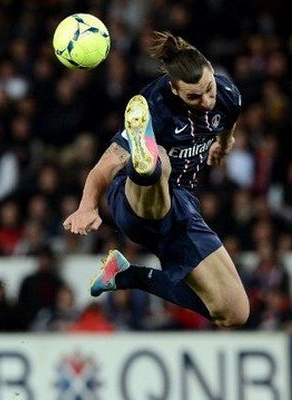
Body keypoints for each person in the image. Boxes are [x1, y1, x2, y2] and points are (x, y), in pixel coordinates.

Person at [63, 32, 249, 327]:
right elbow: (102, 168)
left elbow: (227, 125)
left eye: (208, 90)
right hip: (133, 201)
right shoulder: (155, 105)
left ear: (212, 71)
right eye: (194, 96)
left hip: (182, 210)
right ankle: (145, 159)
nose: (206, 101)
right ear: (175, 90)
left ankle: (127, 275)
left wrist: (222, 146)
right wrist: (87, 206)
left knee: (235, 313)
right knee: (159, 161)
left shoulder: (227, 96)